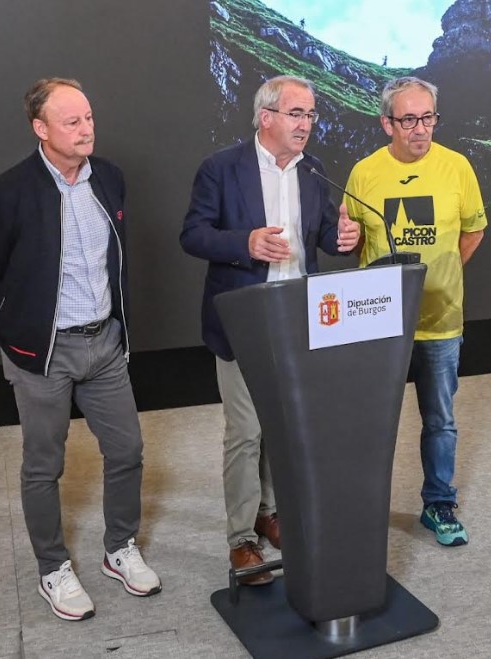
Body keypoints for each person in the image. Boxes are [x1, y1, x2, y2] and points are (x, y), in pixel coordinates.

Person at [0, 78, 161, 621]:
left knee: (127, 450)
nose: (86, 129)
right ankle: (52, 567)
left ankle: (119, 548)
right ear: (41, 128)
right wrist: (22, 333)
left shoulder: (110, 179)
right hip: (43, 355)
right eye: (72, 122)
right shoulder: (6, 194)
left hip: (105, 345)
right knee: (43, 465)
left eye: (89, 118)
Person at [181, 75, 360, 584]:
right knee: (246, 432)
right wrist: (246, 243)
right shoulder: (221, 168)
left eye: (310, 115)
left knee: (283, 427)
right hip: (243, 318)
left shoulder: (314, 171)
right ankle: (241, 539)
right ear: (266, 117)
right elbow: (193, 234)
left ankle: (270, 512)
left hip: (298, 318)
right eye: (296, 113)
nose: (306, 124)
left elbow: (322, 236)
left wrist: (344, 236)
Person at [344, 76, 487, 547]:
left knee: (440, 419)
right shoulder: (364, 172)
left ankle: (439, 503)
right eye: (408, 120)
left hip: (440, 321)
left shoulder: (457, 167)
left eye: (428, 118)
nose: (420, 129)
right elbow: (355, 241)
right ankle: (363, 505)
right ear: (387, 124)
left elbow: (473, 231)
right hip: (381, 322)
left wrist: (441, 274)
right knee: (372, 421)